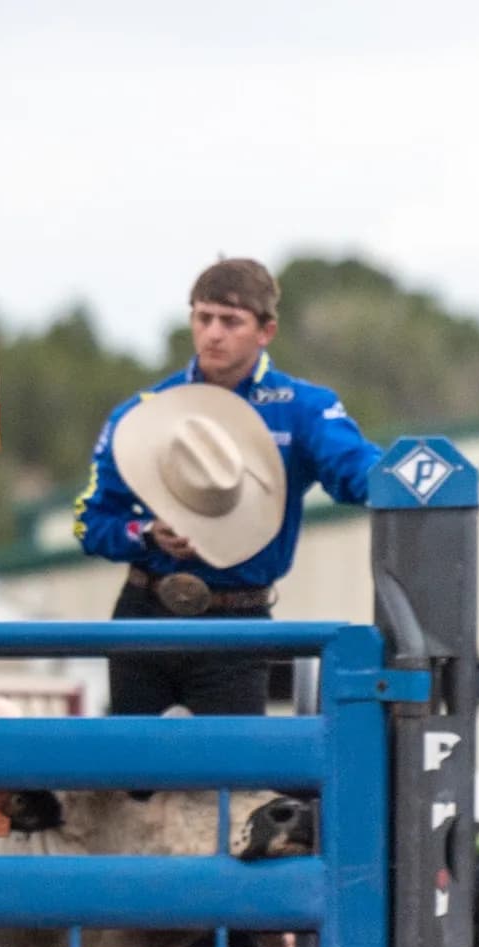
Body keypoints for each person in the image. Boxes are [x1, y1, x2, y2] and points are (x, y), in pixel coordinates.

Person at [75, 258, 383, 716]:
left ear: (266, 332)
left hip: (237, 618)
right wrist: (145, 535)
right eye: (204, 318)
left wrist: (407, 478)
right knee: (133, 777)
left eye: (231, 321)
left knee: (232, 776)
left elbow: (357, 470)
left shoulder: (302, 409)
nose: (214, 333)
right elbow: (90, 521)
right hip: (146, 610)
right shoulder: (140, 415)